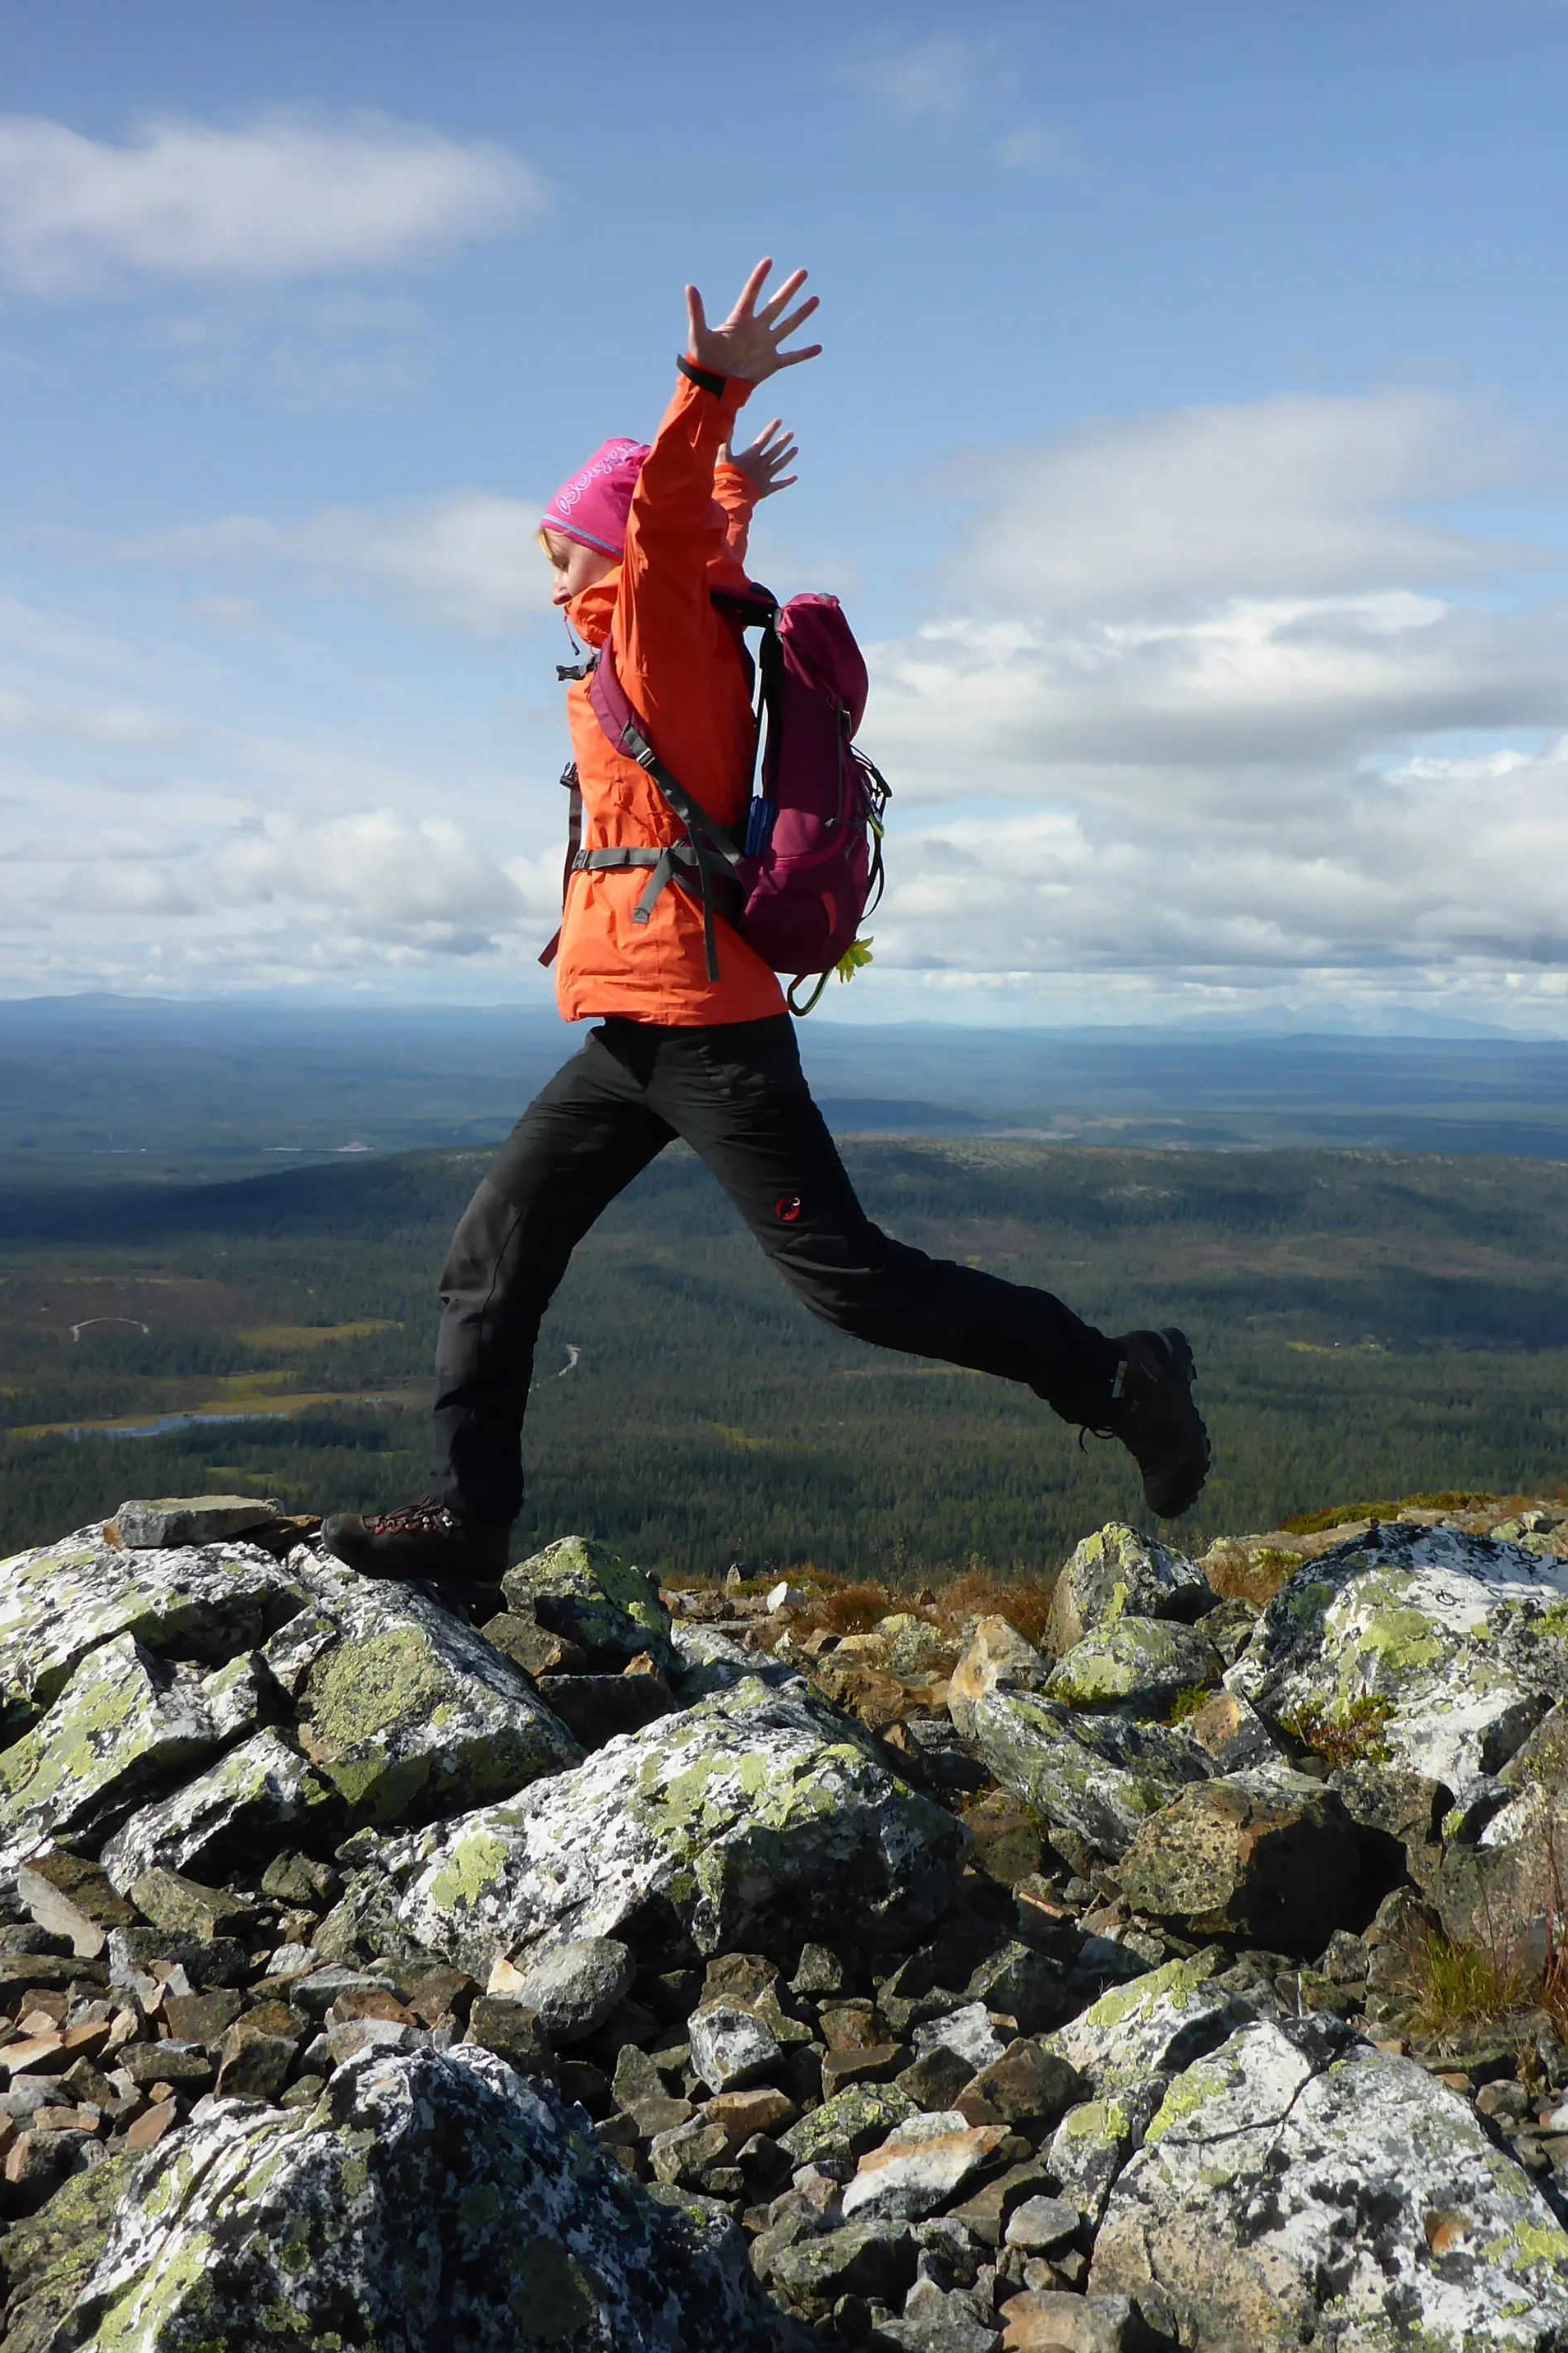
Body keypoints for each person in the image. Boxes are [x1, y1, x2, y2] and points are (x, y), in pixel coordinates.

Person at [326, 260, 1208, 1592]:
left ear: (616, 538)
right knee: (489, 1261)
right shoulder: (645, 631)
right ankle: (468, 1521)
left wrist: (708, 397)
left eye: (559, 527)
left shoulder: (653, 632)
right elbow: (693, 543)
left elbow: (671, 534)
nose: (542, 547)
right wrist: (731, 489)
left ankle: (1114, 1377)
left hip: (711, 1028)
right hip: (632, 1027)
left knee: (853, 1285)